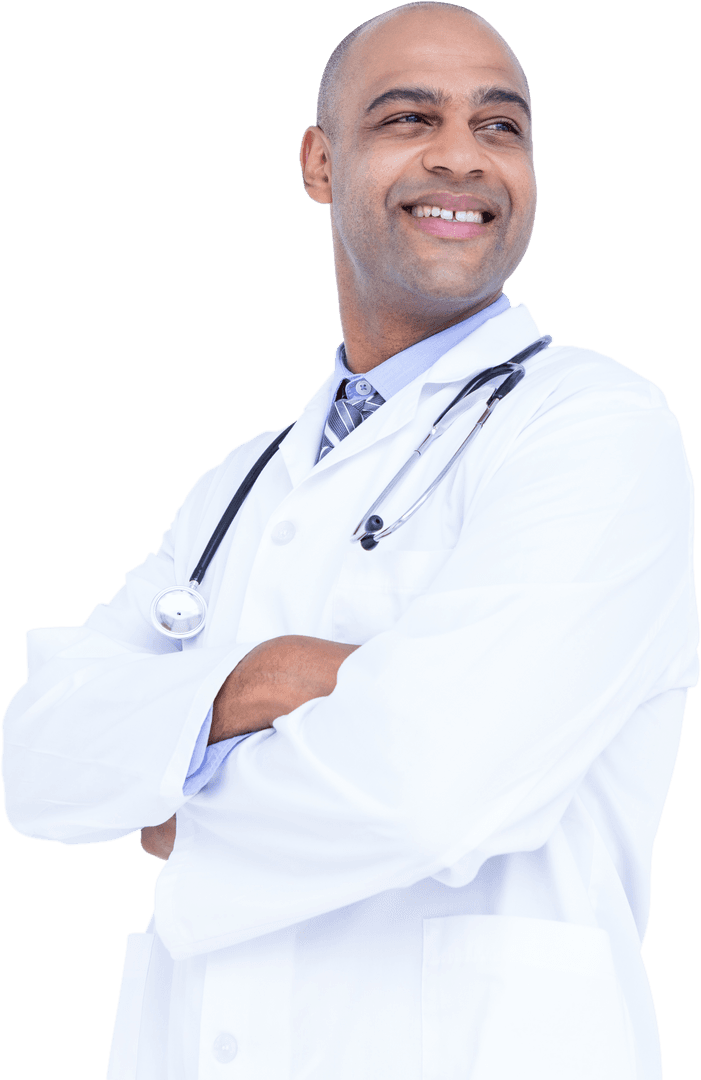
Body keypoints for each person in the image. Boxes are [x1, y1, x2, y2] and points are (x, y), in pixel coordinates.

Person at [2, 3, 698, 1077]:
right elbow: (39, 761)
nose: (460, 158)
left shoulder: (596, 428)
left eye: (500, 127)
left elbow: (429, 788)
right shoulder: (239, 482)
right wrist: (260, 679)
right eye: (408, 117)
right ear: (320, 164)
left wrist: (171, 806)